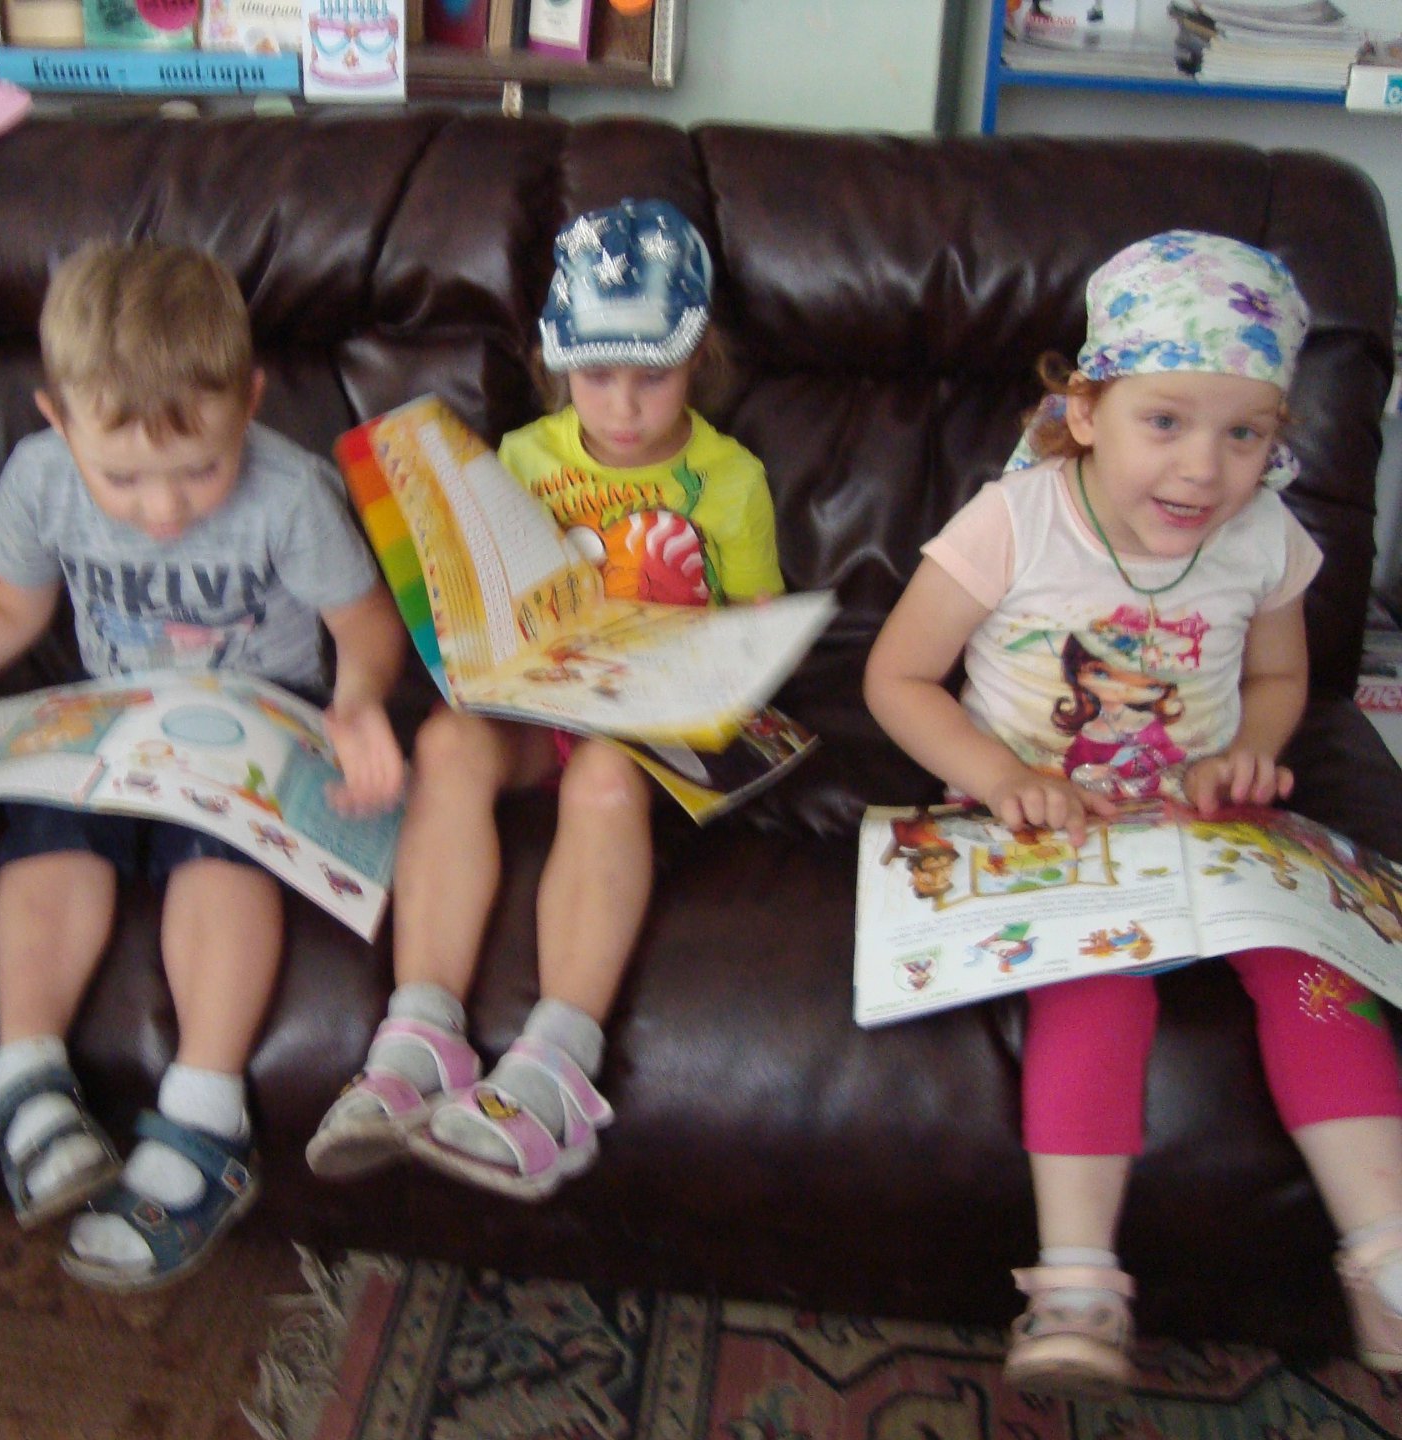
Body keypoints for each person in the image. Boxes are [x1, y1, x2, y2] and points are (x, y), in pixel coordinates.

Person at [862, 230, 1402, 1392]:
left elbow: (1279, 679)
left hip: (1205, 823)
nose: (1205, 470)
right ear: (1087, 410)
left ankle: (1387, 1257)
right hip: (1045, 828)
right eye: (1165, 421)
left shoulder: (1266, 537)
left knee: (1318, 968)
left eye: (1245, 434)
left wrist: (1248, 756)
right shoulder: (1014, 521)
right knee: (1094, 984)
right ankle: (1074, 1284)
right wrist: (1001, 777)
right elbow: (896, 677)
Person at [0, 240, 406, 1290]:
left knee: (221, 859)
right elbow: (8, 610)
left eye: (201, 468)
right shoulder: (38, 479)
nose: (165, 510)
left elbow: (364, 624)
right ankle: (28, 1077)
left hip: (253, 722)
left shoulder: (290, 493)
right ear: (58, 420)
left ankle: (206, 1114)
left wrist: (359, 699)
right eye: (124, 479)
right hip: (111, 722)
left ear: (250, 401)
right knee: (48, 834)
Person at [307, 197, 784, 1200]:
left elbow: (756, 633)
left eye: (652, 377)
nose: (623, 407)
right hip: (540, 707)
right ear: (558, 365)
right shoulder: (525, 457)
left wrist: (700, 662)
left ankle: (558, 1067)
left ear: (699, 357)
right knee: (449, 744)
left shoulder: (732, 479)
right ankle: (420, 1035)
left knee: (603, 775)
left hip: (645, 731)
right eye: (595, 377)